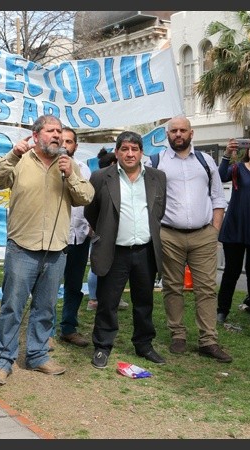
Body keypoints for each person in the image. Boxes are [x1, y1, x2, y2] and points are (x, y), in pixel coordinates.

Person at [0, 114, 95, 385]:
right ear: (36, 136)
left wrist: (70, 175)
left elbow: (86, 196)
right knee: (12, 306)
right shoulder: (21, 160)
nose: (57, 135)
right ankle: (2, 360)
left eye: (59, 131)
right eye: (50, 130)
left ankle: (37, 355)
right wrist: (12, 154)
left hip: (56, 249)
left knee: (45, 308)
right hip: (22, 247)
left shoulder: (68, 165)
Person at [147, 115, 233, 363]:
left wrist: (214, 231)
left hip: (203, 234)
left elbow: (218, 198)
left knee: (206, 288)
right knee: (172, 287)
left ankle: (208, 340)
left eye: (183, 130)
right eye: (174, 131)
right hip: (169, 234)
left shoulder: (206, 161)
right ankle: (178, 335)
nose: (178, 134)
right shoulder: (157, 162)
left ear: (191, 133)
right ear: (167, 134)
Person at [84, 131, 167, 369]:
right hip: (114, 250)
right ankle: (102, 346)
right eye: (125, 149)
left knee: (144, 301)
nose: (130, 154)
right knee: (107, 302)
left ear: (142, 152)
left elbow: (158, 211)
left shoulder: (157, 177)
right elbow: (92, 212)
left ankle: (144, 345)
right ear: (117, 151)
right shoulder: (101, 177)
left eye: (135, 149)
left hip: (145, 250)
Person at [216, 138, 250, 329]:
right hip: (236, 226)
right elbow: (219, 176)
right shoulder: (238, 168)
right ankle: (222, 310)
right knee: (231, 271)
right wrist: (226, 155)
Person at [57, 127, 92, 348]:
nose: (65, 145)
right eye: (61, 141)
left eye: (69, 142)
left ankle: (69, 328)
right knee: (47, 287)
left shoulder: (84, 169)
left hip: (79, 236)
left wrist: (90, 226)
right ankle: (45, 332)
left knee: (74, 285)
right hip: (55, 238)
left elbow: (87, 198)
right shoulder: (48, 167)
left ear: (75, 146)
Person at [86, 150, 121, 312]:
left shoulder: (119, 181)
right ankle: (93, 299)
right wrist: (95, 226)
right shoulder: (98, 179)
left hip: (113, 230)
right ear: (113, 164)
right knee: (97, 264)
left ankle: (113, 297)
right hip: (99, 229)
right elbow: (91, 208)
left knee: (114, 265)